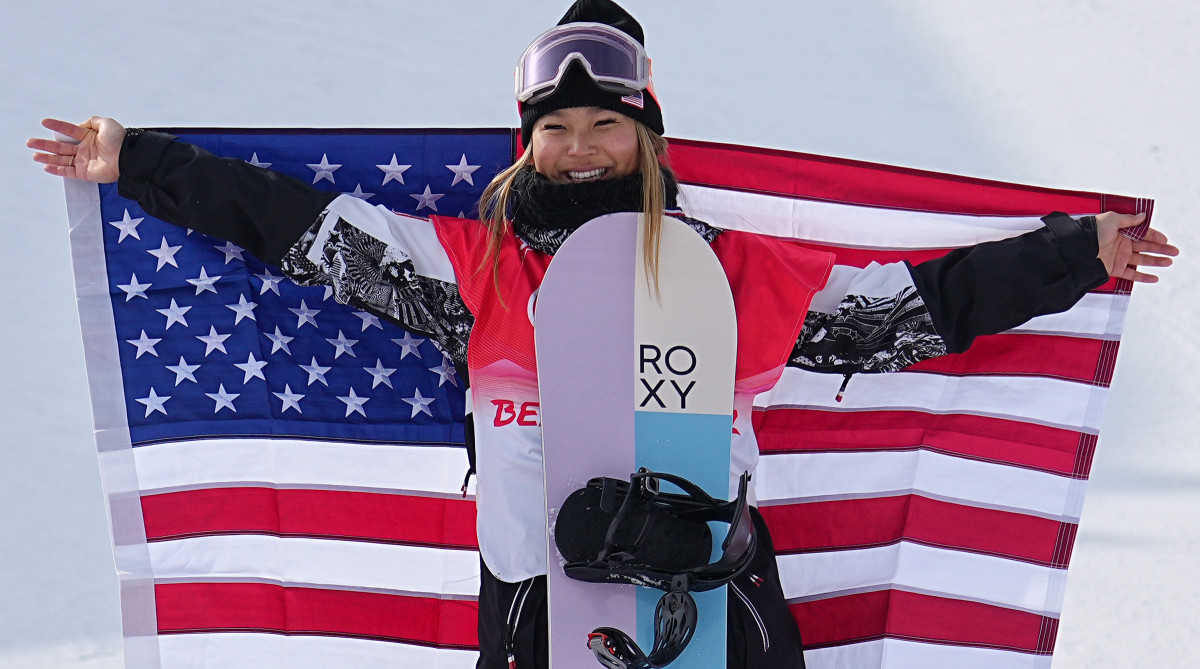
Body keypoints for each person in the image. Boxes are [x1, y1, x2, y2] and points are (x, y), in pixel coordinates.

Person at [26, 1, 1176, 667]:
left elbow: (911, 315)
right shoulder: (472, 270)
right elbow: (299, 228)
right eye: (558, 127)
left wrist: (1080, 255)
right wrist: (142, 162)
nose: (581, 146)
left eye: (606, 127)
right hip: (535, 608)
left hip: (715, 602)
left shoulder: (725, 272)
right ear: (527, 144)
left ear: (647, 138)